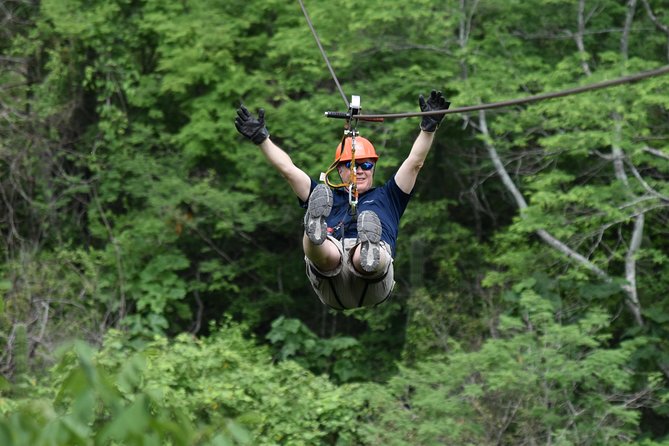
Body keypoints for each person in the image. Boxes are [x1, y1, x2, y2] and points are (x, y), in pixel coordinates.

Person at [235, 90, 449, 309]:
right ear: (339, 171)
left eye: (366, 165)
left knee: (364, 257)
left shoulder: (389, 196)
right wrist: (262, 138)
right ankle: (315, 229)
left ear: (373, 167)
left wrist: (429, 128)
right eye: (352, 165)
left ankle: (367, 250)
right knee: (326, 252)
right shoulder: (327, 196)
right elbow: (288, 170)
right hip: (330, 280)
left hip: (373, 282)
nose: (360, 170)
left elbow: (414, 162)